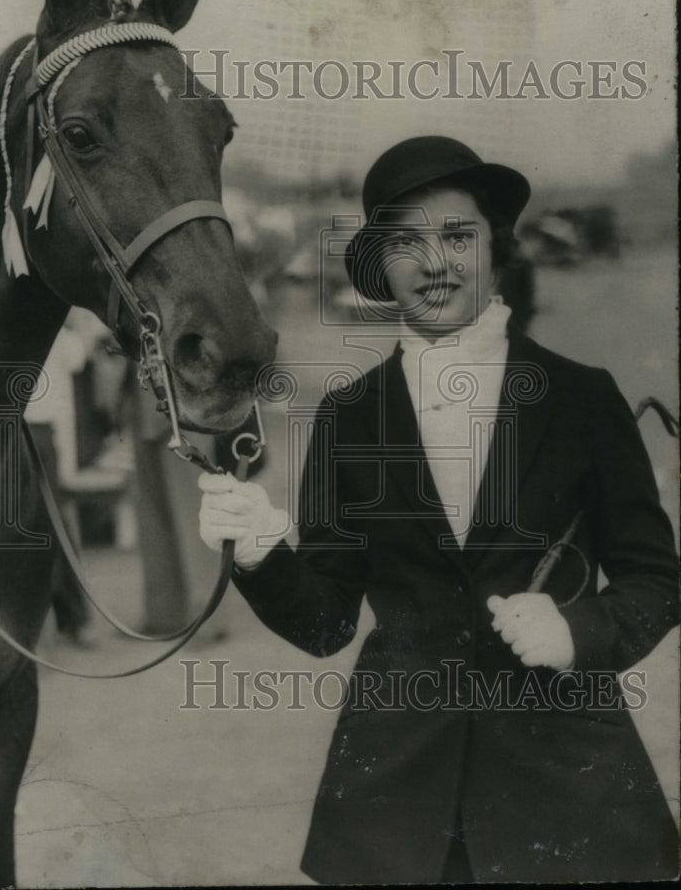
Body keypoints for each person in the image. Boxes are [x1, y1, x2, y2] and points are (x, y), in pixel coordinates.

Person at [197, 136, 679, 884]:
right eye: (405, 243)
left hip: (567, 791)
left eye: (459, 236)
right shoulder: (349, 416)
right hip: (400, 795)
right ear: (379, 268)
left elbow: (657, 581)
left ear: (498, 249)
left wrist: (578, 629)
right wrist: (262, 551)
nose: (436, 264)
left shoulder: (584, 398)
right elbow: (326, 623)